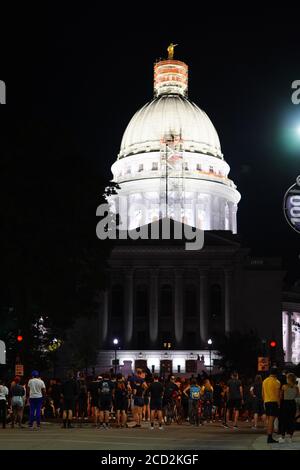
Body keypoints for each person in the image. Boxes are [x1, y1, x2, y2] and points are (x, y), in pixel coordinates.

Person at [278, 372, 299, 443]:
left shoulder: (284, 386)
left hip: (285, 404)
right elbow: (297, 396)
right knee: (292, 420)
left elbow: (280, 397)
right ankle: (290, 437)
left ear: (289, 379)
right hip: (292, 404)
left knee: (284, 420)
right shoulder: (296, 387)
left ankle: (283, 437)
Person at [262, 367, 281, 444]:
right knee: (271, 420)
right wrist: (279, 404)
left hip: (266, 401)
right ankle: (269, 438)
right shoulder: (277, 382)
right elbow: (278, 395)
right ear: (276, 373)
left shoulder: (264, 381)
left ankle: (270, 437)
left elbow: (262, 394)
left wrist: (264, 401)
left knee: (269, 419)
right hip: (273, 402)